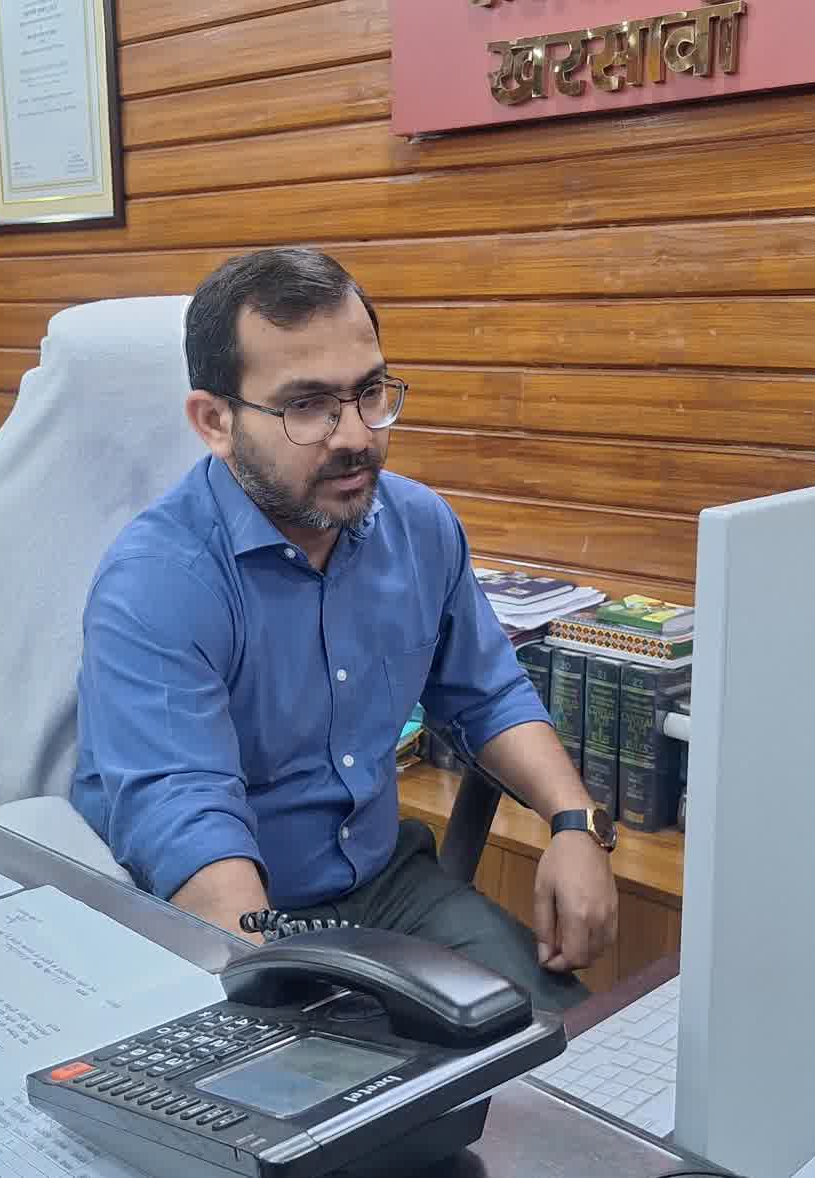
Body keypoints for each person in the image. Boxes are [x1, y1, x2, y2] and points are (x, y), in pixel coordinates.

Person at [71, 247, 619, 1012]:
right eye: (307, 406)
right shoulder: (158, 581)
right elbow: (187, 817)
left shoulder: (419, 526)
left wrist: (575, 824)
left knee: (563, 1045)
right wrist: (277, 993)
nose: (356, 435)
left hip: (384, 885)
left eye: (368, 393)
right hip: (225, 908)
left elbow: (487, 692)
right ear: (215, 422)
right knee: (364, 1077)